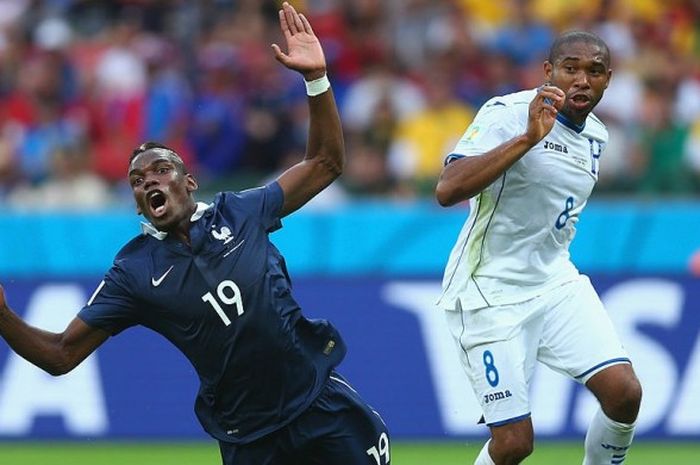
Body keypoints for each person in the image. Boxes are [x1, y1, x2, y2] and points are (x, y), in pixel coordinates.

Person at [0, 3, 390, 465]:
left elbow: (325, 163)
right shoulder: (133, 272)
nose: (149, 182)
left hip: (322, 407)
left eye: (160, 170)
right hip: (251, 440)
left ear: (188, 182)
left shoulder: (241, 210)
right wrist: (4, 315)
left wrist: (317, 80)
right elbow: (61, 355)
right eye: (137, 181)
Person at [435, 31, 642, 465]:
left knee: (624, 394)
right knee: (514, 444)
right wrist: (526, 139)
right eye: (571, 68)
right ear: (548, 72)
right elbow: (448, 189)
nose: (581, 80)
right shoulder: (507, 113)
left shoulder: (597, 136)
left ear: (609, 80)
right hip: (488, 291)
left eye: (594, 71)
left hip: (554, 282)